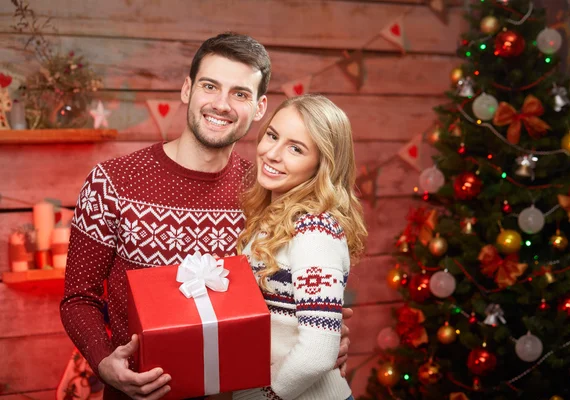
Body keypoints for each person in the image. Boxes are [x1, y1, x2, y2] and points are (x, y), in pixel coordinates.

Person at [60, 33, 352, 400]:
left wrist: (324, 336)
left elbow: (295, 296)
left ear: (260, 108)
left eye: (240, 94)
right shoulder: (113, 181)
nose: (222, 104)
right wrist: (104, 363)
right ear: (187, 89)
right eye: (210, 86)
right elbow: (78, 298)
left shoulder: (267, 192)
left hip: (234, 393)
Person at [234, 94, 367, 400]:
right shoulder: (269, 219)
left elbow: (318, 351)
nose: (272, 153)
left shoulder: (314, 231)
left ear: (322, 165)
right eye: (272, 135)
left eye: (296, 148)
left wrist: (264, 398)